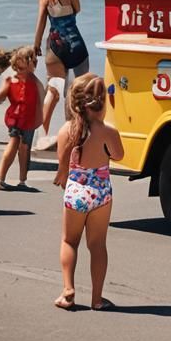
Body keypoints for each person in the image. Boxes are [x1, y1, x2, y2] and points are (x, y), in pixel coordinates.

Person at [52, 74, 124, 311]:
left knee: (69, 241)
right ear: (103, 104)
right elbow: (119, 155)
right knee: (98, 245)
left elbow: (62, 164)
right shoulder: (108, 132)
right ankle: (97, 298)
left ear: (74, 103)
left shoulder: (65, 131)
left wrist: (62, 175)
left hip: (76, 192)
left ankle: (68, 289)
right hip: (101, 193)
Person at [0, 46, 44, 190]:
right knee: (14, 143)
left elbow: (41, 99)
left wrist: (41, 118)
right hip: (16, 118)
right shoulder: (12, 79)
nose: (20, 71)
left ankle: (22, 180)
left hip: (29, 119)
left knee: (25, 148)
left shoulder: (33, 80)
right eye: (17, 68)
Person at [33, 0, 89, 132]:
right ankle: (73, 133)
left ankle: (43, 133)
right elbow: (77, 11)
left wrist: (36, 45)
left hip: (56, 46)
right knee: (77, 91)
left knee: (54, 89)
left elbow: (41, 21)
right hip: (76, 45)